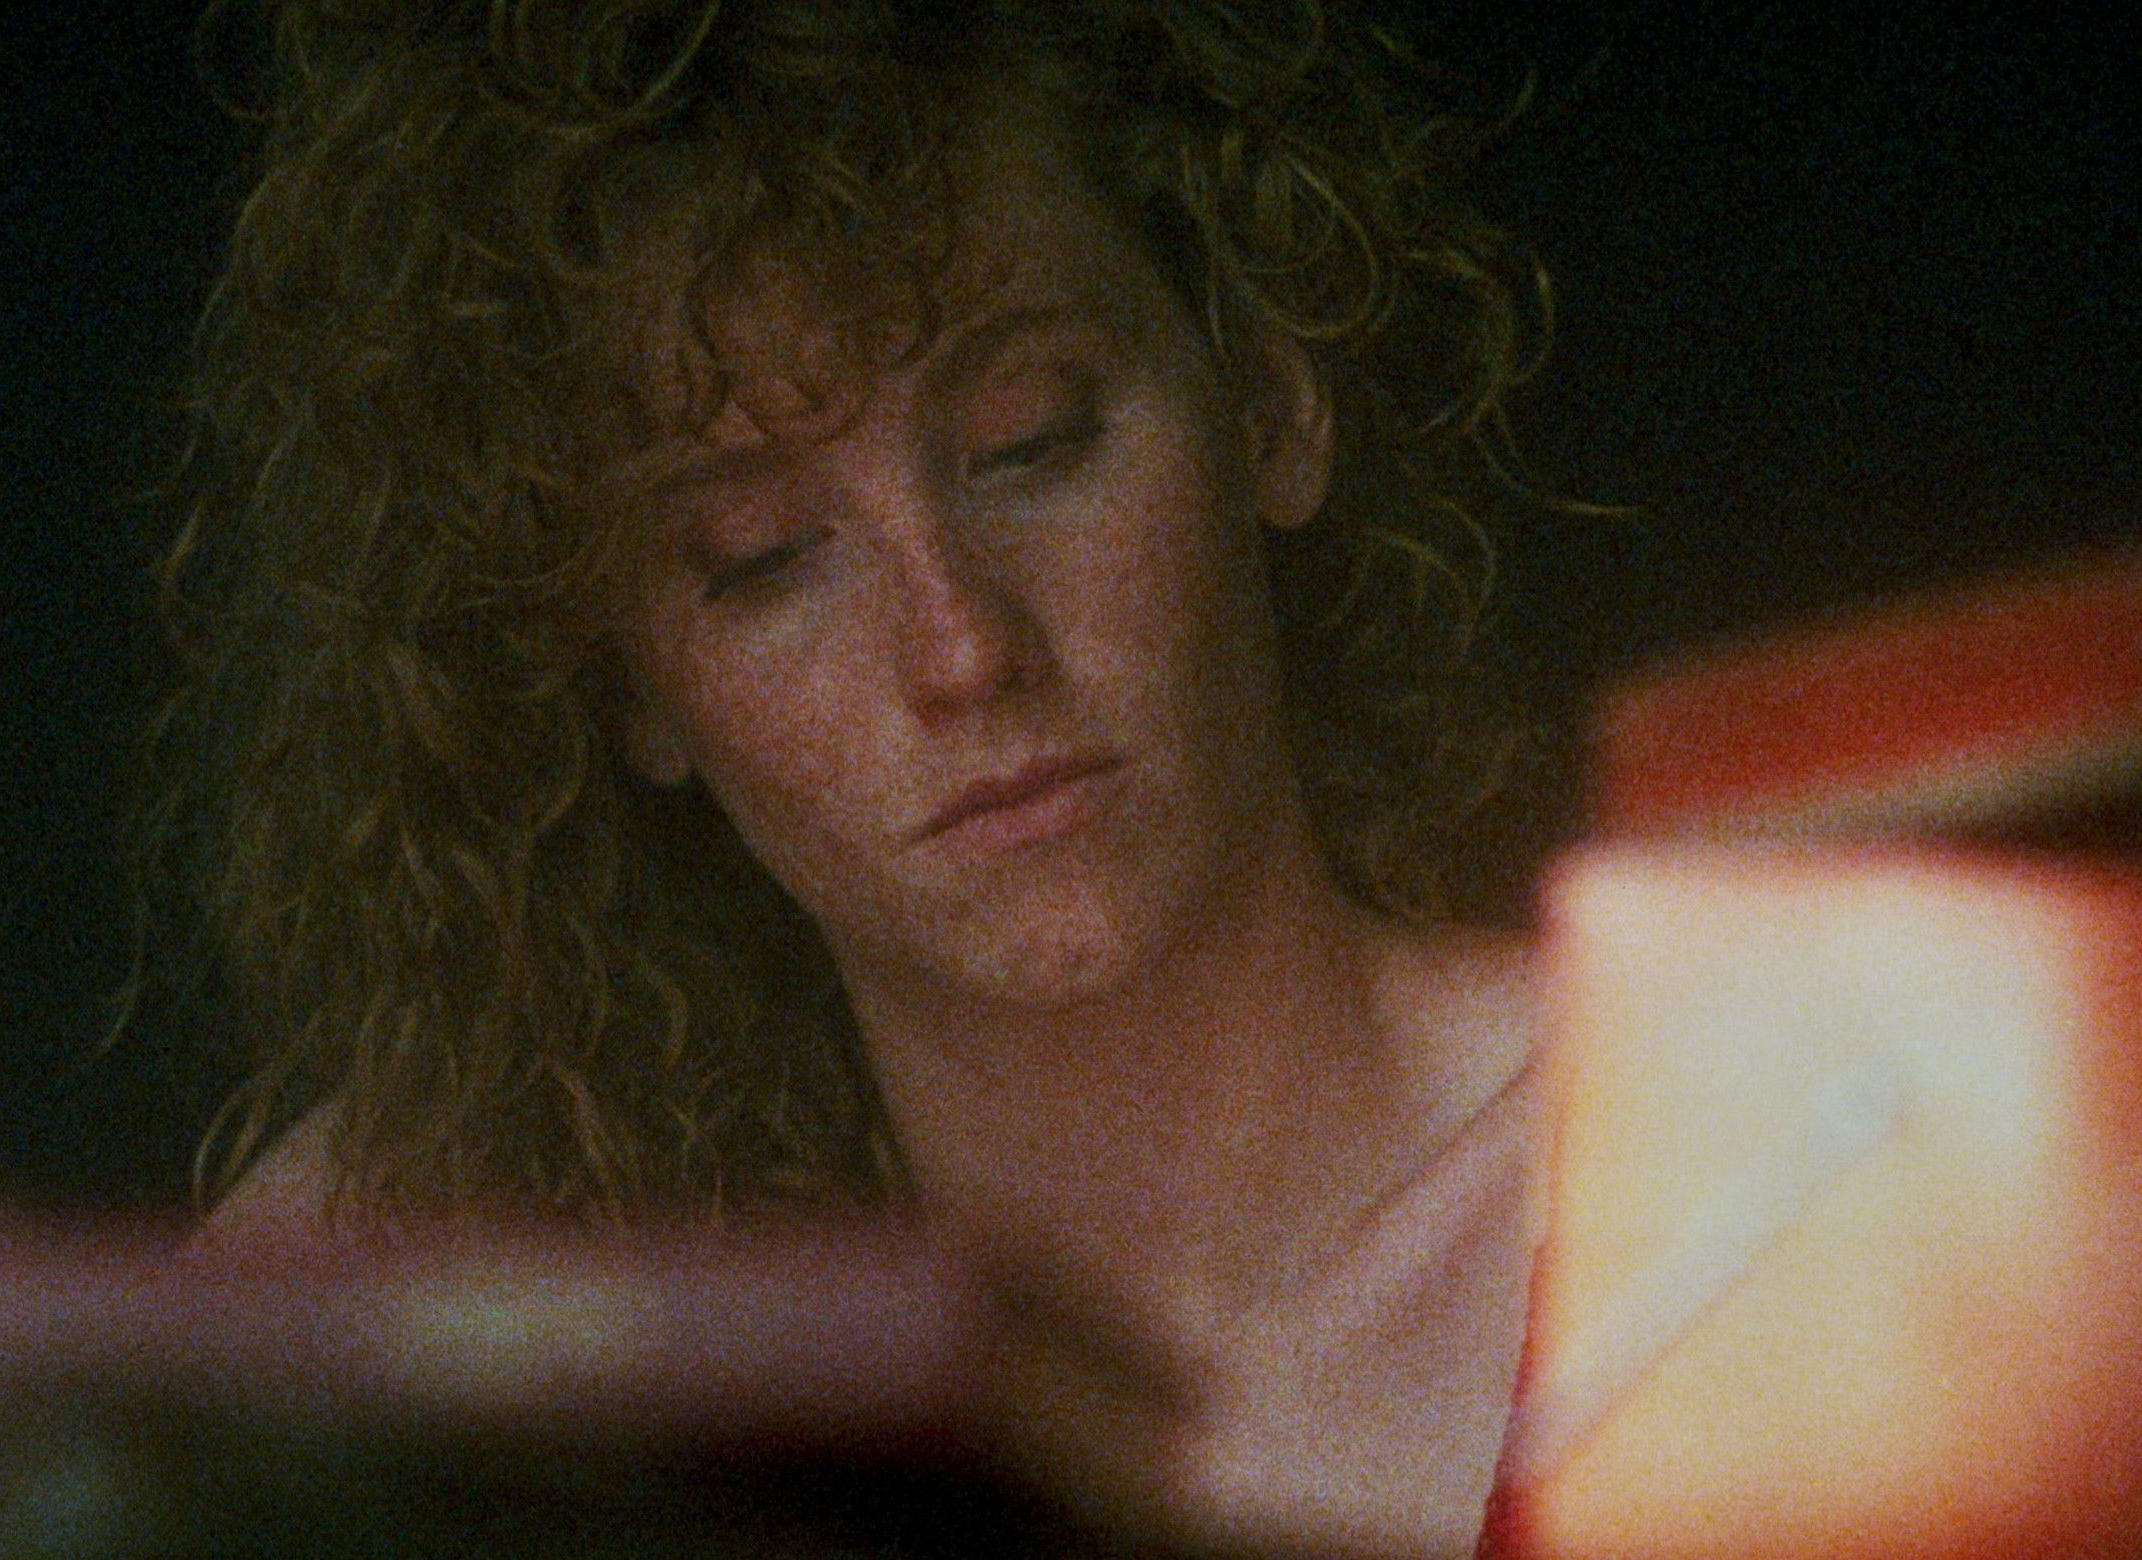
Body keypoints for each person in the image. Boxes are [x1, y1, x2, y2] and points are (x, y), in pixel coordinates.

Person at [139, 1, 1563, 1552]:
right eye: (760, 557)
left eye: (1029, 443)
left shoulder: (1696, 1173)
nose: (960, 647)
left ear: (1270, 406)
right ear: (623, 681)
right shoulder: (430, 1316)